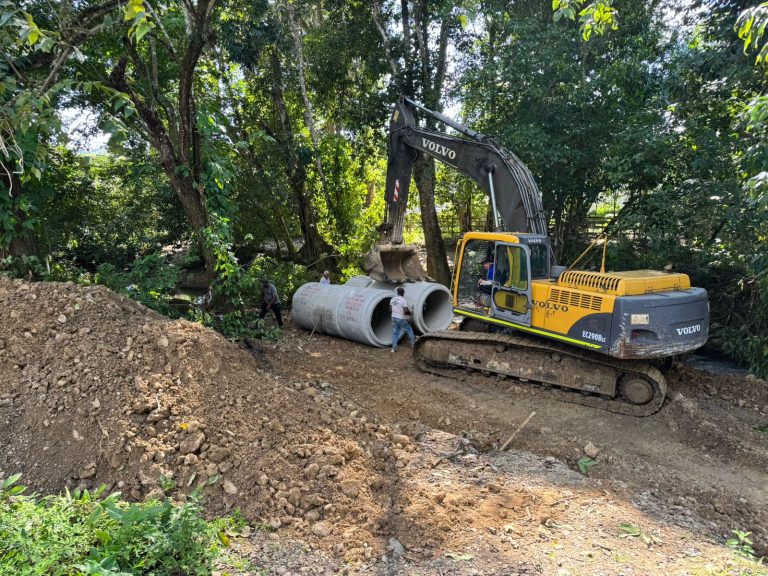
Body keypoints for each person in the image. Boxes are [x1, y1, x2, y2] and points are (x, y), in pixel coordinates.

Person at [390, 287, 415, 353]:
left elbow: (390, 309)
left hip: (393, 318)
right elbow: (406, 311)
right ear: (403, 293)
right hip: (400, 318)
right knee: (409, 329)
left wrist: (396, 310)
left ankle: (393, 349)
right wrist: (410, 313)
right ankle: (413, 344)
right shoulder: (403, 300)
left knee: (395, 333)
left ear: (397, 292)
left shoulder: (392, 299)